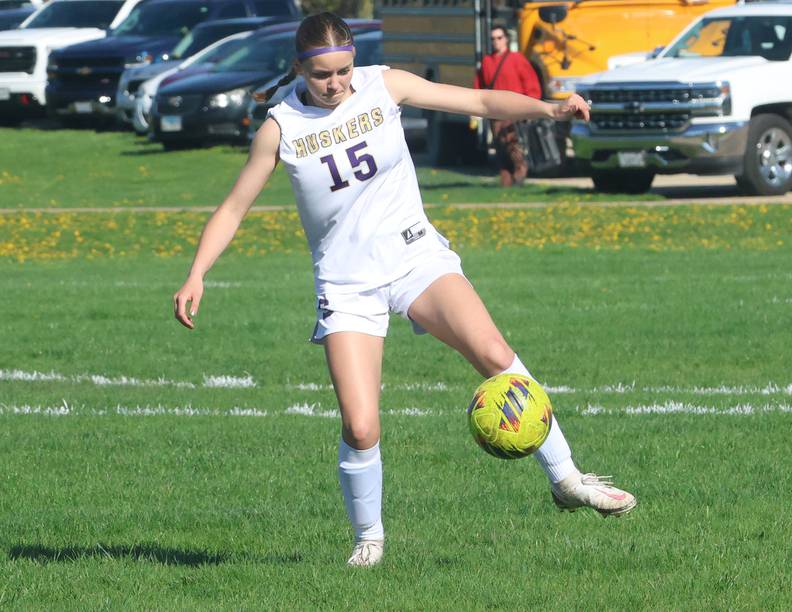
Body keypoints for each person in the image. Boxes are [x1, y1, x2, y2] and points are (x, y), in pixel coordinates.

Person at [173, 12, 636, 568]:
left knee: (494, 353)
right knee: (360, 425)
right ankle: (369, 540)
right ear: (299, 68)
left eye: (343, 71)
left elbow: (479, 101)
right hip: (347, 283)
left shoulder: (384, 85)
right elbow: (233, 208)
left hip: (415, 258)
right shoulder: (280, 127)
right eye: (322, 75)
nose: (335, 84)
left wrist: (550, 109)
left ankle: (567, 478)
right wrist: (197, 272)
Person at [474, 25, 543, 186]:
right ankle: (505, 181)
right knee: (500, 148)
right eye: (492, 38)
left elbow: (531, 84)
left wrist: (530, 109)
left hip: (514, 113)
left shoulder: (517, 59)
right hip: (495, 114)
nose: (496, 41)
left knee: (514, 146)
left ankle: (519, 176)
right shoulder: (487, 62)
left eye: (499, 38)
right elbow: (479, 87)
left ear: (506, 39)